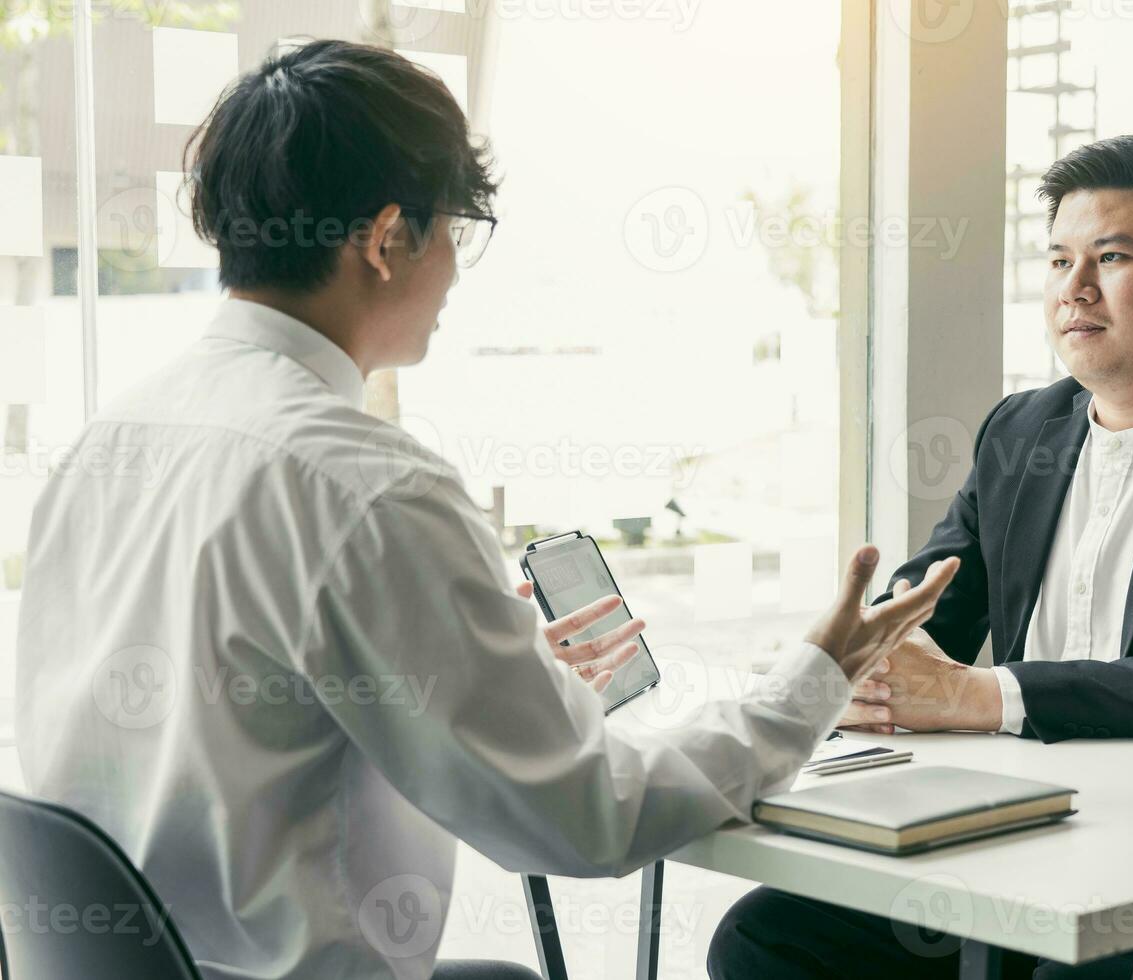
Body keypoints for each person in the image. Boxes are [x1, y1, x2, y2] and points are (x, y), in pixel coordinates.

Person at [14, 40, 959, 980]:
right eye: (457, 232)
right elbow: (591, 818)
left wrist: (480, 680)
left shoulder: (108, 442)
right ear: (387, 241)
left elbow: (223, 719)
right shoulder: (367, 487)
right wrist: (815, 677)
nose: (458, 274)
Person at [709, 134, 1133, 979]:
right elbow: (928, 610)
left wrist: (976, 695)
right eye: (1058, 261)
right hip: (1030, 839)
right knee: (767, 936)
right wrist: (860, 662)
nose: (1074, 290)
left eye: (1112, 256)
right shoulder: (1022, 432)